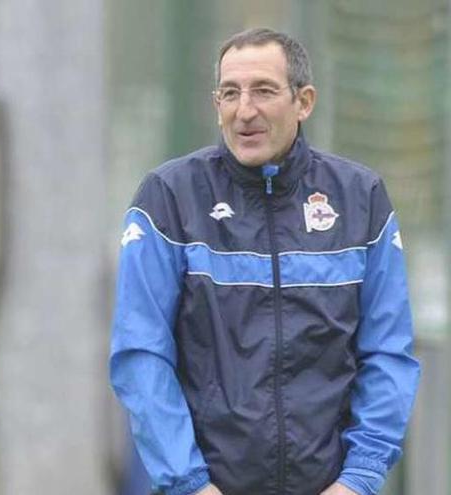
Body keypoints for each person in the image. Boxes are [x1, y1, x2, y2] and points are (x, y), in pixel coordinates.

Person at [109, 28, 420, 495]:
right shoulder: (169, 198)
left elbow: (387, 350)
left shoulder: (361, 198)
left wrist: (360, 478)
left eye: (264, 91)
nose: (244, 111)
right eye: (229, 93)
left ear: (304, 101)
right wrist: (189, 482)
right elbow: (141, 353)